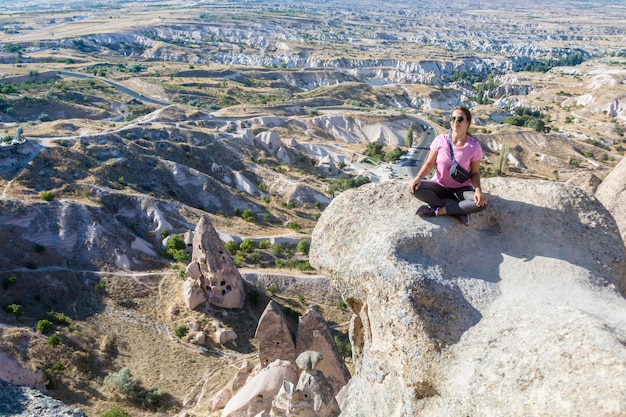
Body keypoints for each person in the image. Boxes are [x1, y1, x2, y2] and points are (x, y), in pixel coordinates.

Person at [408, 106, 487, 226]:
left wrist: (478, 190)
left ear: (468, 123)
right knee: (415, 189)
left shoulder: (474, 147)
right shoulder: (440, 140)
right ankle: (456, 210)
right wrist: (419, 177)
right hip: (439, 185)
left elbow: (475, 173)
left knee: (481, 203)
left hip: (461, 189)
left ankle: (440, 210)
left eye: (460, 119)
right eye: (453, 118)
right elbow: (429, 163)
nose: (455, 122)